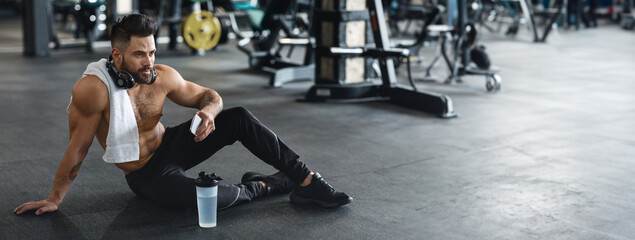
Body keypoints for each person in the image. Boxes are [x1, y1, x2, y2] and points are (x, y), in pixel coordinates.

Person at [14, 14, 352, 216]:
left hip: (173, 143)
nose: (148, 61)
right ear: (116, 56)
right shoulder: (94, 89)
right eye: (138, 54)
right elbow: (78, 148)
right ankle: (264, 184)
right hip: (146, 174)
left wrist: (207, 110)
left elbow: (210, 95)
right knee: (210, 198)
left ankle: (308, 180)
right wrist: (54, 198)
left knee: (239, 117)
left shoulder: (162, 75)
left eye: (152, 52)